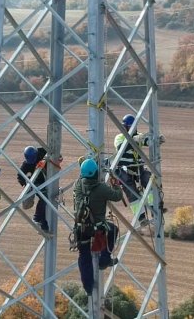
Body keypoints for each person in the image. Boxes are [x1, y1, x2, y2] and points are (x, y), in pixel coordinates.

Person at [74, 158, 122, 295]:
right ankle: (104, 260)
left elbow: (83, 176)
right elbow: (118, 196)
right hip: (97, 228)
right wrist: (116, 184)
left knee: (84, 256)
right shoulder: (101, 188)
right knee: (113, 230)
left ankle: (88, 288)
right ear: (96, 174)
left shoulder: (78, 185)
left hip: (81, 228)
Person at [113, 114, 153, 225]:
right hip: (124, 169)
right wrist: (133, 140)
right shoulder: (120, 137)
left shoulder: (139, 136)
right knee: (131, 190)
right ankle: (141, 217)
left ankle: (156, 210)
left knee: (151, 182)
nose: (131, 129)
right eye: (129, 127)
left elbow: (147, 141)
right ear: (124, 127)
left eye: (133, 127)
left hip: (138, 168)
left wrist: (155, 140)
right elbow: (121, 147)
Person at [17, 146, 49, 232]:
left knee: (45, 200)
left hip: (47, 179)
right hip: (36, 183)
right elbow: (20, 176)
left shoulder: (43, 152)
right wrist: (24, 185)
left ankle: (42, 223)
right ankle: (38, 219)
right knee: (45, 199)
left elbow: (53, 152)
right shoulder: (26, 165)